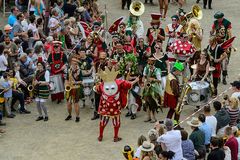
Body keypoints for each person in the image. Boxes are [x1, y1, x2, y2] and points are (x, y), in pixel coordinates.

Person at [95, 67, 139, 142]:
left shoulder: (102, 84)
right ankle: (115, 137)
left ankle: (100, 136)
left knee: (103, 120)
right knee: (116, 120)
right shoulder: (119, 82)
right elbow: (128, 85)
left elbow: (97, 90)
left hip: (105, 105)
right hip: (115, 106)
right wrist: (136, 80)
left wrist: (97, 84)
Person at [210, 12, 232, 85]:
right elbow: (212, 31)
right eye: (217, 18)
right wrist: (211, 32)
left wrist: (229, 43)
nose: (218, 20)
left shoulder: (227, 23)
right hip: (217, 44)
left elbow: (230, 33)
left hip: (225, 44)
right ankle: (218, 77)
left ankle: (224, 77)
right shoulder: (215, 22)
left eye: (219, 18)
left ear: (222, 17)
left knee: (224, 62)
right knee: (216, 62)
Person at [142, 57, 162, 123]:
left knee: (153, 103)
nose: (150, 65)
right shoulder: (146, 68)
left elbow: (160, 80)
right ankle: (148, 116)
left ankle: (154, 117)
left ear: (154, 64)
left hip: (154, 88)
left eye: (151, 64)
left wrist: (153, 79)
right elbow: (144, 76)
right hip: (147, 87)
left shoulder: (157, 70)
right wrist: (144, 81)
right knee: (146, 102)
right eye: (149, 64)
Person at [164, 62, 184, 126]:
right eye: (180, 71)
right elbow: (175, 90)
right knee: (177, 111)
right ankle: (176, 124)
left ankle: (167, 123)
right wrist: (179, 98)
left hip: (169, 95)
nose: (180, 73)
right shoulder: (173, 80)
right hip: (173, 97)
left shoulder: (170, 75)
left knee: (171, 110)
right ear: (177, 70)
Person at [65, 58, 83, 123]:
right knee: (69, 104)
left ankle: (77, 116)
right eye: (72, 64)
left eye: (74, 64)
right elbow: (66, 79)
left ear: (76, 64)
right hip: (69, 88)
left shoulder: (79, 71)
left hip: (76, 88)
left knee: (76, 103)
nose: (73, 65)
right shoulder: (69, 70)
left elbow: (81, 81)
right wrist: (66, 84)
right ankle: (70, 115)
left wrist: (74, 82)